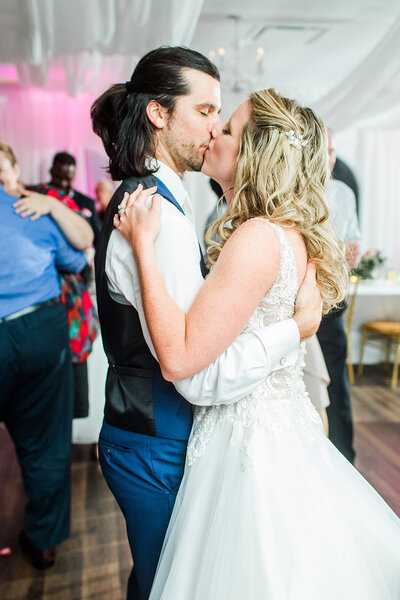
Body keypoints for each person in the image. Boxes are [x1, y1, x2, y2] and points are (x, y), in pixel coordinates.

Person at [115, 89, 400, 599]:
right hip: (277, 434)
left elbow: (181, 361)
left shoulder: (257, 238)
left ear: (254, 155)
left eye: (226, 130)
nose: (213, 133)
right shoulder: (283, 233)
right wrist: (295, 331)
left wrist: (143, 248)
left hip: (248, 447)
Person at [91, 46, 322, 600]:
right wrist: (294, 329)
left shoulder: (170, 204)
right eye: (204, 111)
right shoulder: (157, 215)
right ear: (159, 114)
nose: (214, 127)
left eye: (222, 116)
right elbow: (189, 365)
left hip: (161, 430)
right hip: (156, 436)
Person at [0, 182, 87, 569]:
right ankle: (44, 541)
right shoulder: (26, 209)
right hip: (40, 327)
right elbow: (77, 260)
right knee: (46, 441)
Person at [0, 142, 98, 421]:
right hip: (27, 318)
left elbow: (85, 239)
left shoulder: (43, 197)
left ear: (16, 169)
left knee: (60, 397)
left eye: (2, 170)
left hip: (64, 303)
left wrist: (53, 206)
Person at [317, 129, 362, 463]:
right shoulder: (289, 189)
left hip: (330, 305)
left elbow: (352, 248)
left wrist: (346, 254)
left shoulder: (343, 193)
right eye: (325, 150)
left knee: (335, 386)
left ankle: (343, 458)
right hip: (293, 305)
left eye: (333, 151)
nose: (330, 159)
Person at [31, 151, 102, 245]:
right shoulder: (38, 195)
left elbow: (99, 241)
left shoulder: (87, 202)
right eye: (58, 178)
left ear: (74, 176)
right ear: (51, 172)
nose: (63, 183)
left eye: (68, 179)